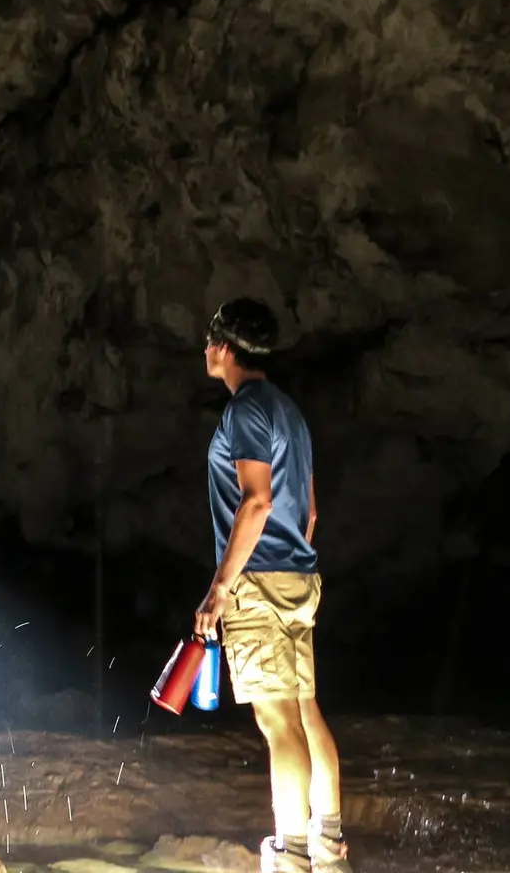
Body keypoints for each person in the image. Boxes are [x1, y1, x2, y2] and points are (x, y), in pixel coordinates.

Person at [194, 298, 351, 873]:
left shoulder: (245, 412)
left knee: (276, 720)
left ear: (228, 348)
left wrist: (220, 589)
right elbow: (307, 510)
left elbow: (256, 501)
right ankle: (329, 846)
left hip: (259, 583)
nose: (206, 349)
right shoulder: (289, 411)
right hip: (298, 577)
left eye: (211, 339)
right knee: (305, 710)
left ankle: (291, 854)